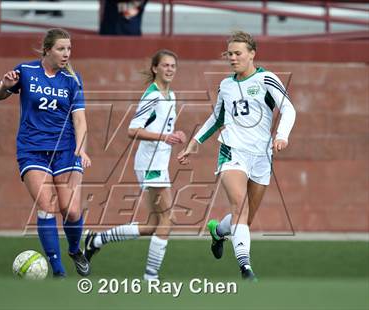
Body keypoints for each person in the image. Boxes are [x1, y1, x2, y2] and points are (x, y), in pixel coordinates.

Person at [178, 31, 296, 281]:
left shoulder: (266, 79)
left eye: (238, 53)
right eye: (229, 54)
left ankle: (218, 231)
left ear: (252, 54)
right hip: (232, 151)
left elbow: (288, 108)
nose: (232, 58)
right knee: (239, 205)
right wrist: (194, 142)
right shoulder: (226, 85)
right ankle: (246, 267)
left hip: (262, 157)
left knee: (246, 218)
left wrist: (281, 135)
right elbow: (217, 118)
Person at [0, 28, 90, 278]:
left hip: (66, 150)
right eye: (61, 48)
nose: (66, 54)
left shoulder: (73, 79)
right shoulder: (26, 71)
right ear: (47, 49)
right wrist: (5, 85)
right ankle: (58, 271)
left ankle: (75, 249)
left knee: (71, 210)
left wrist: (81, 149)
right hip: (32, 149)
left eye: (69, 49)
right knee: (47, 206)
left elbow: (80, 120)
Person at [84, 49, 186, 280]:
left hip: (159, 162)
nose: (170, 69)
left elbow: (162, 128)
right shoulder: (151, 96)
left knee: (153, 224)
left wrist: (175, 134)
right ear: (155, 68)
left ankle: (96, 240)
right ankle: (151, 277)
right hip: (150, 163)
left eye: (173, 66)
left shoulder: (171, 96)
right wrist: (163, 137)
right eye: (165, 65)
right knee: (168, 220)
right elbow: (132, 130)